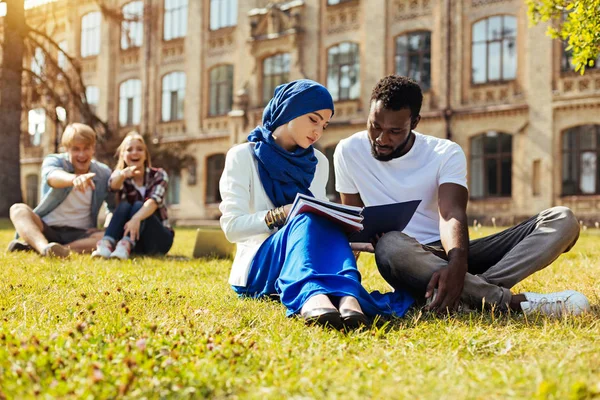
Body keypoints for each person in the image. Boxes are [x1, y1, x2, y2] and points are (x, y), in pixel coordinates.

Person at [334, 75, 590, 317]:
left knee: (562, 219)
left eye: (394, 131)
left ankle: (466, 293)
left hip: (456, 252)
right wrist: (343, 288)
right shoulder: (348, 151)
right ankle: (508, 303)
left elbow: (451, 214)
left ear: (414, 123)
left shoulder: (444, 152)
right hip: (408, 260)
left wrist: (456, 268)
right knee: (390, 245)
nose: (381, 138)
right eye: (374, 126)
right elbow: (355, 225)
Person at [219, 79, 413, 329]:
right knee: (307, 216)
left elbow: (321, 220)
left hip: (306, 252)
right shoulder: (243, 156)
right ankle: (313, 294)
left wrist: (358, 237)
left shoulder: (318, 162)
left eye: (324, 124)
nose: (318, 131)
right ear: (289, 110)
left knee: (317, 216)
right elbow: (232, 228)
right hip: (261, 264)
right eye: (313, 119)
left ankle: (345, 297)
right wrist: (282, 214)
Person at [8, 123, 114, 257]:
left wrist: (105, 227)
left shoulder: (103, 173)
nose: (81, 154)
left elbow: (113, 208)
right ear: (67, 149)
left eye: (86, 148)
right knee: (18, 209)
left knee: (109, 236)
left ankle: (53, 249)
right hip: (47, 228)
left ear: (93, 148)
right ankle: (44, 248)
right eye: (76, 149)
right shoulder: (54, 161)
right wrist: (73, 179)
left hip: (81, 234)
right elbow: (52, 176)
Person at [91, 132, 174, 259]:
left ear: (145, 155)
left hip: (158, 238)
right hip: (135, 238)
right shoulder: (119, 176)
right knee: (124, 205)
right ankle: (107, 244)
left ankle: (125, 244)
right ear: (123, 155)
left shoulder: (159, 175)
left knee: (139, 205)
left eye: (139, 149)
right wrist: (123, 175)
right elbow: (112, 186)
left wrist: (136, 219)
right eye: (129, 150)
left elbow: (153, 202)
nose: (134, 153)